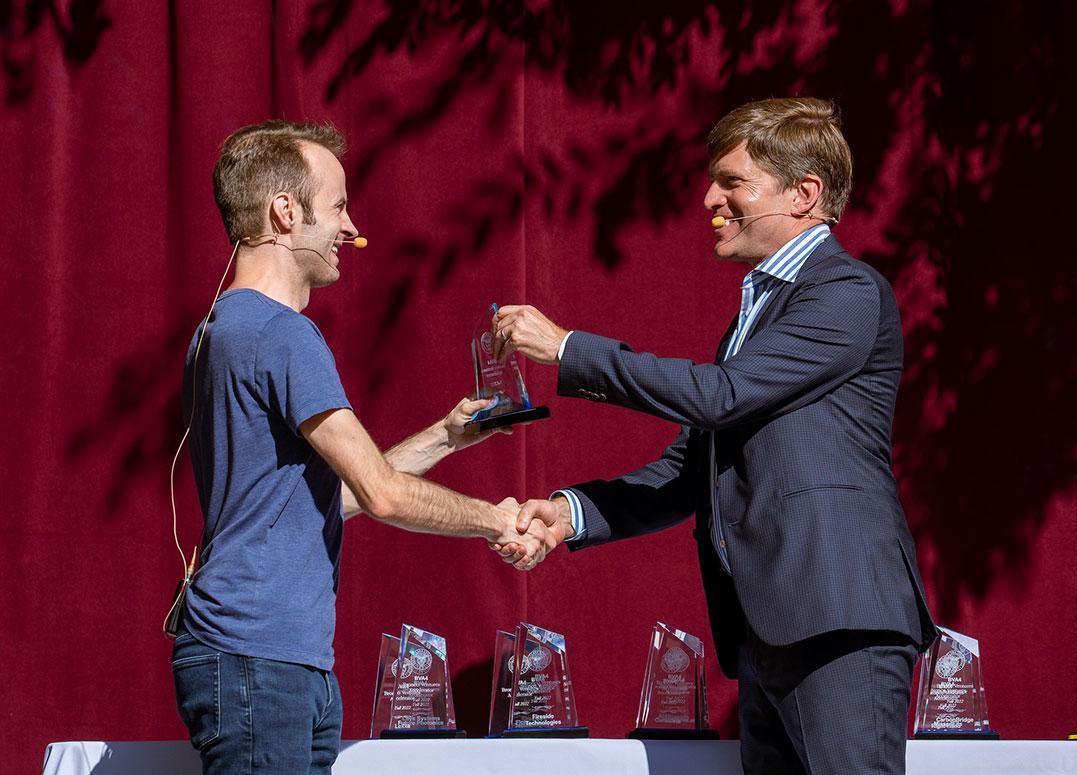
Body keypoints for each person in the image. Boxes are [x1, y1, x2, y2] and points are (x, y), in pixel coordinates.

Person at [494, 98, 936, 775]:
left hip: (838, 618)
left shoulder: (845, 291)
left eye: (732, 182)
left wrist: (569, 348)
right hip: (771, 631)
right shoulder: (759, 314)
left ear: (803, 194)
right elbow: (690, 467)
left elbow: (717, 395)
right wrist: (570, 513)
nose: (710, 198)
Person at [172, 120, 554, 775]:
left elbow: (321, 498)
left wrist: (446, 434)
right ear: (285, 211)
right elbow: (380, 492)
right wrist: (499, 520)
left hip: (269, 662)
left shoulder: (222, 330)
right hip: (261, 664)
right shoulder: (282, 333)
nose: (352, 229)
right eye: (341, 204)